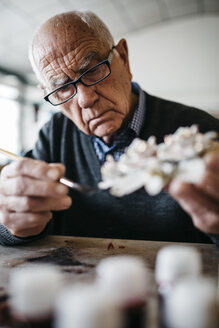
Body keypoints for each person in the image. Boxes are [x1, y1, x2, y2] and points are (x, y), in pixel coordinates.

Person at [0, 11, 219, 246]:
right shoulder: (54, 136)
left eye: (93, 70)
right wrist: (14, 226)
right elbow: (13, 231)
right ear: (47, 93)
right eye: (62, 88)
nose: (85, 99)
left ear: (124, 58)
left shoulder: (200, 134)